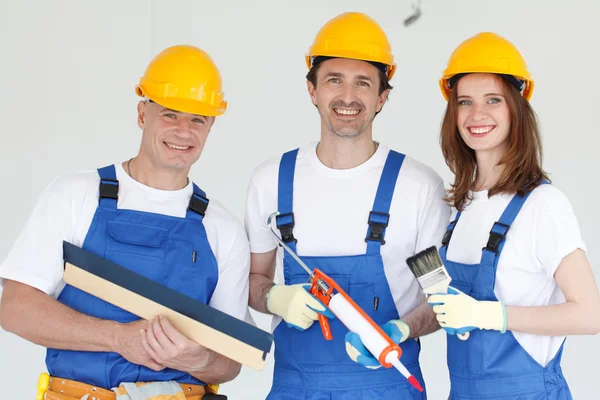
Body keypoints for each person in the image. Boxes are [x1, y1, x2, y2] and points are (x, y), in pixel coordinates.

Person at [0, 45, 250, 399]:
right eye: (170, 114)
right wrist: (118, 337)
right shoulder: (74, 196)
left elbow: (232, 361)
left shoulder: (222, 229)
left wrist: (200, 358)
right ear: (142, 114)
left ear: (211, 126)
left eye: (198, 119)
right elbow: (15, 308)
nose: (183, 131)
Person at [245, 11, 450, 400]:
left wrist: (402, 329)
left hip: (389, 387)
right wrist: (274, 298)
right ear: (312, 90)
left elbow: (440, 301)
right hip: (295, 389)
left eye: (363, 83)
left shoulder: (419, 186)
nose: (348, 97)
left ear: (382, 97)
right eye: (334, 80)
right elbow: (253, 281)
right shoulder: (270, 181)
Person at [428, 32, 600, 399]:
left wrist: (488, 315)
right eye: (464, 102)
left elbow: (589, 314)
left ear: (516, 109)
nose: (477, 115)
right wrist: (398, 328)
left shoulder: (543, 205)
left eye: (493, 100)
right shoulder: (460, 208)